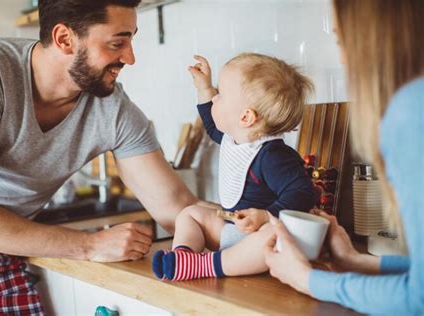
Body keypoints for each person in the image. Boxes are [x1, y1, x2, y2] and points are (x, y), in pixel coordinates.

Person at [0, 0, 208, 314]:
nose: (130, 57)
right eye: (117, 43)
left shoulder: (113, 110)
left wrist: (260, 232)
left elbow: (178, 207)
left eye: (131, 41)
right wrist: (90, 245)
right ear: (64, 39)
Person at [262, 0, 424, 314]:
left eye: (341, 39)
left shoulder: (411, 111)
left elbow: (418, 299)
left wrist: (307, 279)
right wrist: (357, 261)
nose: (343, 56)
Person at [152, 53, 318, 281]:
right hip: (234, 232)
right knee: (190, 214)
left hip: (258, 243)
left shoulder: (273, 156)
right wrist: (204, 89)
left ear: (246, 117)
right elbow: (212, 125)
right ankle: (183, 257)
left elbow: (304, 192)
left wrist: (266, 216)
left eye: (220, 95)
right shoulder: (236, 139)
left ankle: (204, 266)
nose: (215, 99)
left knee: (272, 235)